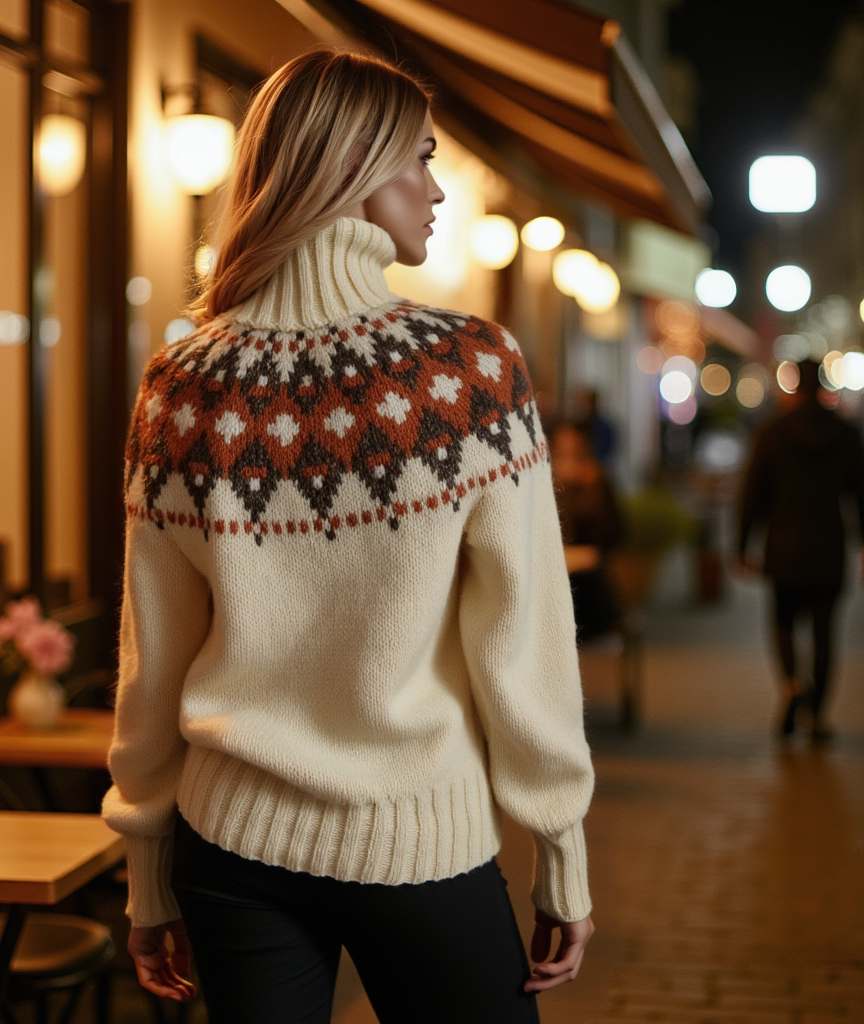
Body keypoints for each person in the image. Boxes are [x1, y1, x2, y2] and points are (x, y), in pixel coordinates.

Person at [102, 50, 595, 1024]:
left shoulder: (183, 383)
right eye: (419, 156)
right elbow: (525, 637)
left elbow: (149, 658)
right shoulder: (468, 375)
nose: (438, 188)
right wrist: (561, 855)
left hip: (226, 839)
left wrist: (148, 863)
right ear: (355, 167)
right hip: (421, 841)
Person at [738, 359, 864, 741]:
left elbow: (752, 494)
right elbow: (860, 494)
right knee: (825, 633)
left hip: (784, 546)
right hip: (828, 547)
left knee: (782, 623)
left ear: (794, 388)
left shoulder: (772, 433)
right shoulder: (844, 435)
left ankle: (792, 685)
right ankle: (817, 716)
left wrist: (741, 545)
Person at [550, 421, 623, 642]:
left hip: (588, 573)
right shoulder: (543, 482)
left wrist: (588, 488)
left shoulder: (596, 480)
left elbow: (613, 532)